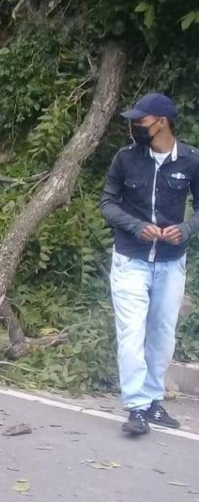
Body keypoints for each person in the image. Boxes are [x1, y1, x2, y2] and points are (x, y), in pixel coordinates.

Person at [99, 92, 199, 436]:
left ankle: (154, 400)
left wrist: (186, 229)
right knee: (131, 333)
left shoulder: (191, 161)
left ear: (161, 123)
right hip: (130, 260)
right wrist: (135, 226)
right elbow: (108, 204)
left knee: (162, 335)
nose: (134, 127)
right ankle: (137, 407)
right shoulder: (125, 159)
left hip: (171, 263)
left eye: (140, 121)